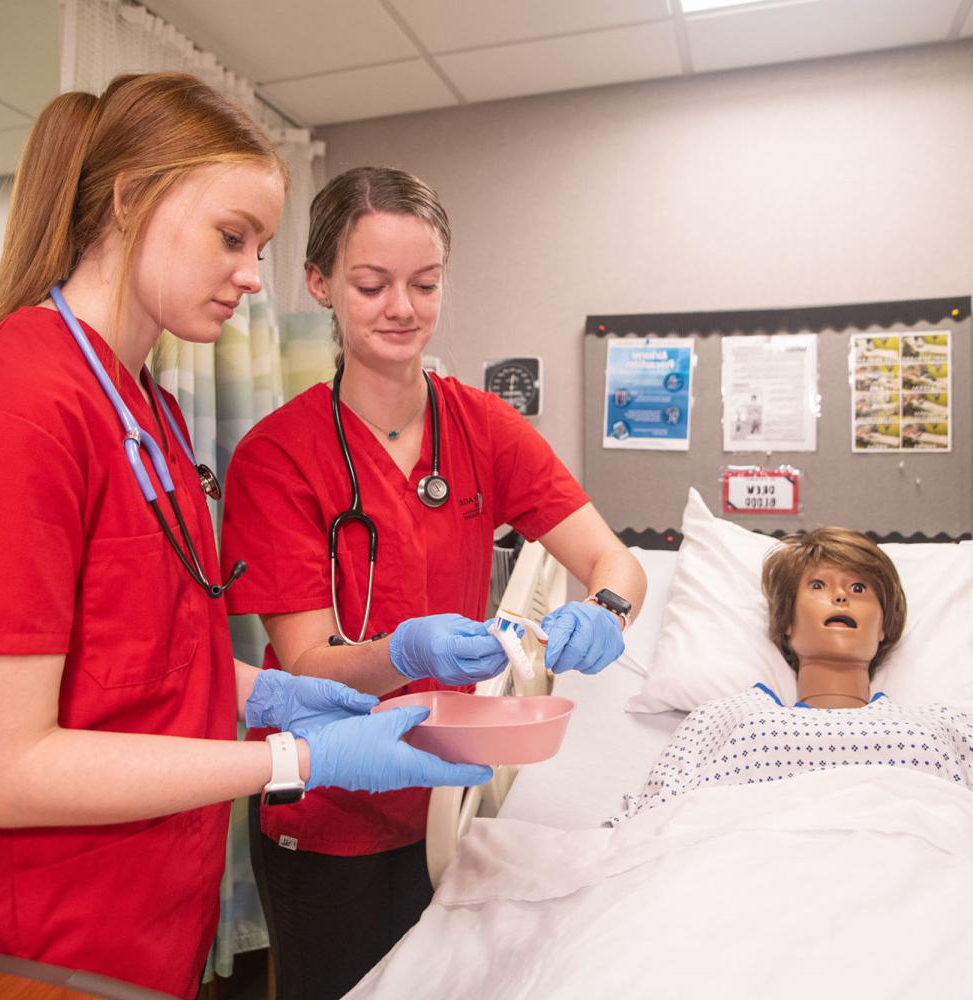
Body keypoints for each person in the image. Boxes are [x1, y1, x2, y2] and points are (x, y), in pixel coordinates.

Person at [0, 74, 497, 1000]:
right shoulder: (2, 415)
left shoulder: (149, 414)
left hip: (154, 923)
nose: (253, 277)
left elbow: (146, 663)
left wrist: (283, 694)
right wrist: (299, 757)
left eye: (262, 247)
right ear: (128, 200)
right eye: (232, 236)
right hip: (34, 945)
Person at [221, 166, 647, 999]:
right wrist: (403, 651)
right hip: (327, 801)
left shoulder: (483, 427)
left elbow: (615, 560)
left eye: (424, 283)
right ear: (320, 284)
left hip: (450, 798)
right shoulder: (277, 456)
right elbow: (306, 663)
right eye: (372, 284)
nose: (402, 309)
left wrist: (606, 611)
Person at [611, 527, 973, 845]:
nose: (840, 595)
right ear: (785, 626)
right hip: (752, 882)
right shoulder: (723, 718)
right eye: (818, 586)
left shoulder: (952, 727)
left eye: (860, 589)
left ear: (884, 629)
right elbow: (646, 826)